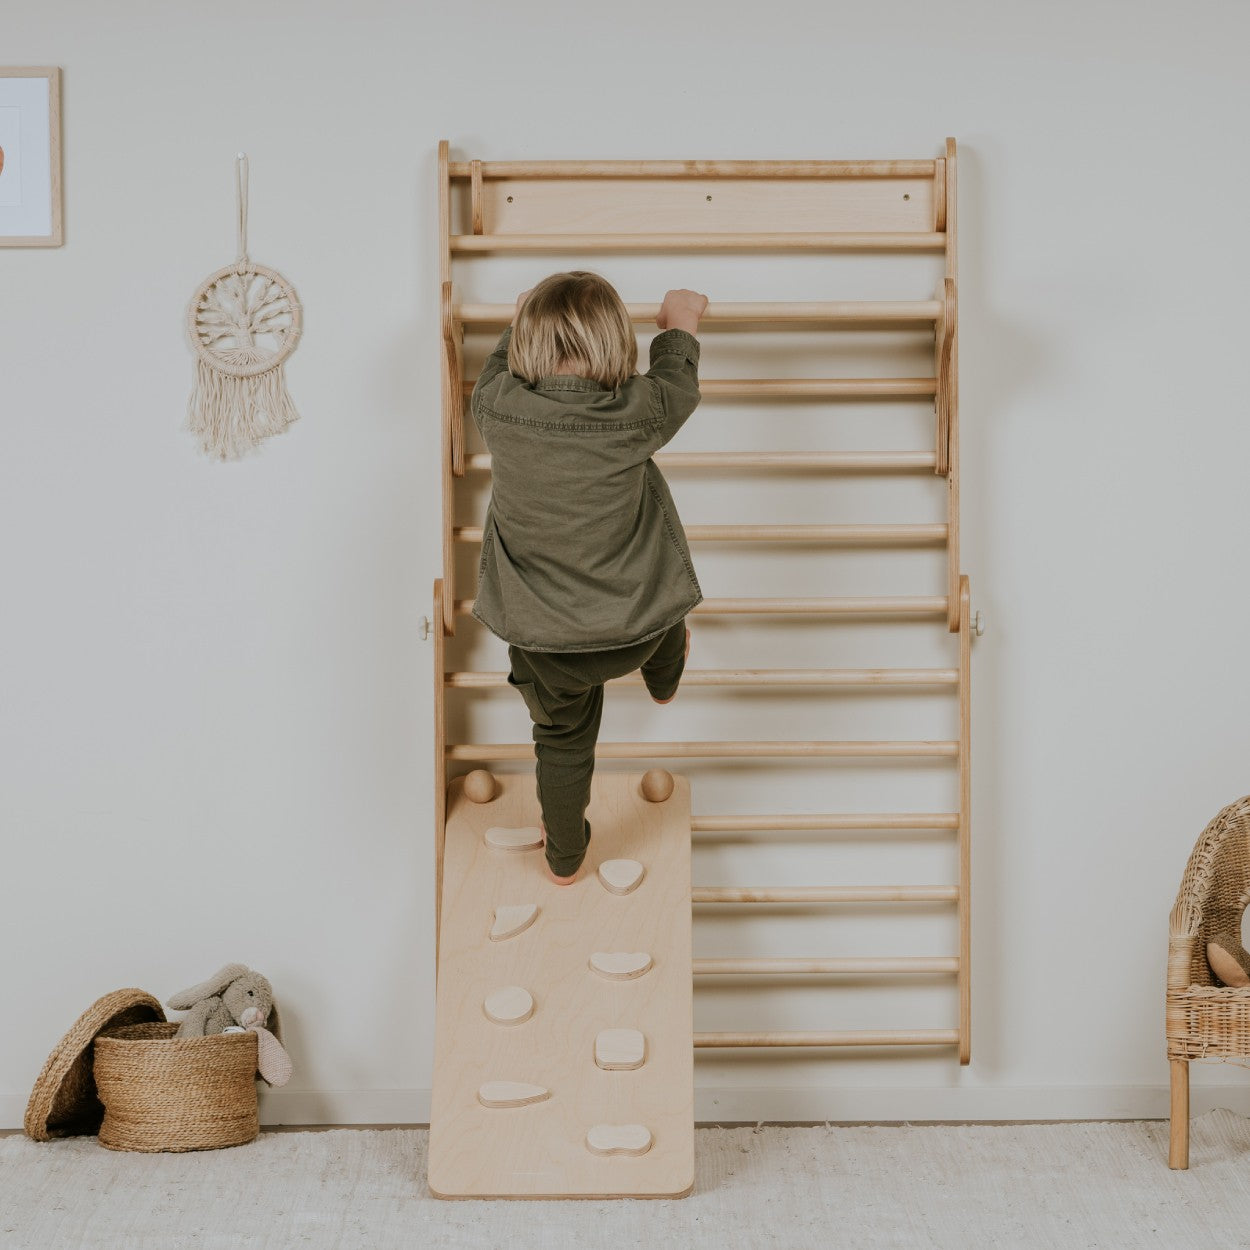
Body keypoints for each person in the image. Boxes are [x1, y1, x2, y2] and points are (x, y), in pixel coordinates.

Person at [469, 270, 708, 884]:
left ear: (525, 347)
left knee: (562, 744)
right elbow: (677, 384)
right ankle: (665, 670)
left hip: (547, 647)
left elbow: (496, 367)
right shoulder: (639, 411)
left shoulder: (495, 407)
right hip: (639, 629)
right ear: (615, 349)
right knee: (658, 565)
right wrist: (679, 325)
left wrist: (515, 316)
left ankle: (566, 857)